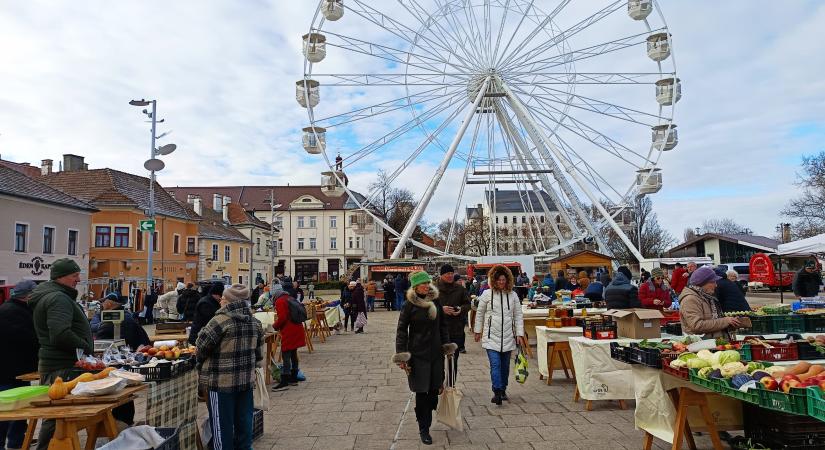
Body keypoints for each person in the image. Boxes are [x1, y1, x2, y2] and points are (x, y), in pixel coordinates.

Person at [29, 259, 94, 450]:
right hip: (62, 367)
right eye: (74, 275)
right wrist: (85, 347)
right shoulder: (58, 298)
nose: (78, 279)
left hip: (58, 365)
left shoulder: (55, 295)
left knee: (57, 416)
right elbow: (60, 334)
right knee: (57, 418)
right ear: (61, 277)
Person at [196, 284, 263, 450]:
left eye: (223, 298)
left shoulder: (219, 321)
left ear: (229, 301)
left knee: (221, 426)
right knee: (244, 423)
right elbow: (259, 355)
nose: (220, 301)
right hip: (245, 381)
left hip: (221, 382)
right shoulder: (255, 323)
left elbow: (201, 347)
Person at [392, 271, 456, 445]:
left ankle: (427, 413)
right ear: (415, 286)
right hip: (417, 355)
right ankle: (424, 428)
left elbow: (443, 326)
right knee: (421, 392)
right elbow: (401, 331)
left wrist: (447, 346)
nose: (427, 286)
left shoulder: (435, 301)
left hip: (435, 353)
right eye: (423, 284)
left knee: (435, 390)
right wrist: (402, 355)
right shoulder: (408, 305)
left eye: (428, 283)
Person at [473, 264, 525, 406]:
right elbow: (480, 314)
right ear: (494, 280)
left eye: (504, 279)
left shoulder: (513, 295)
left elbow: (518, 315)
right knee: (495, 364)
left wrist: (519, 334)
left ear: (508, 280)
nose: (501, 282)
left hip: (508, 336)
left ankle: (503, 389)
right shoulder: (487, 295)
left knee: (505, 367)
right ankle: (496, 391)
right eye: (499, 280)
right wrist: (478, 331)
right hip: (491, 337)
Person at [0, 280, 39, 450]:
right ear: (28, 296)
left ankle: (18, 442)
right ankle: (10, 444)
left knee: (19, 408)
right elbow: (27, 339)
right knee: (7, 411)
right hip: (9, 371)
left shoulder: (14, 309)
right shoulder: (13, 312)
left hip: (16, 370)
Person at [680, 266, 742, 339]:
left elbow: (713, 320)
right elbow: (696, 326)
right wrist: (725, 321)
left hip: (713, 343)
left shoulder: (707, 296)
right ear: (702, 283)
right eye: (713, 282)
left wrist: (730, 323)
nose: (716, 285)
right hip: (702, 346)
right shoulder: (690, 299)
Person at [434, 264, 470, 378]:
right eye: (447, 274)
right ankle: (439, 385)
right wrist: (441, 309)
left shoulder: (460, 289)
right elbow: (427, 306)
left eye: (451, 273)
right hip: (438, 330)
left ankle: (451, 386)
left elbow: (468, 304)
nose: (450, 276)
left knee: (453, 359)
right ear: (441, 275)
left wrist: (460, 310)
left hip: (455, 329)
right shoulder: (433, 289)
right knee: (438, 360)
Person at [271, 284, 307, 391]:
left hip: (289, 330)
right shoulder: (289, 297)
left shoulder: (280, 301)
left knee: (286, 353)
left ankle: (285, 380)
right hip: (297, 327)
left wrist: (274, 326)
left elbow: (282, 318)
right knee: (293, 353)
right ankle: (293, 378)